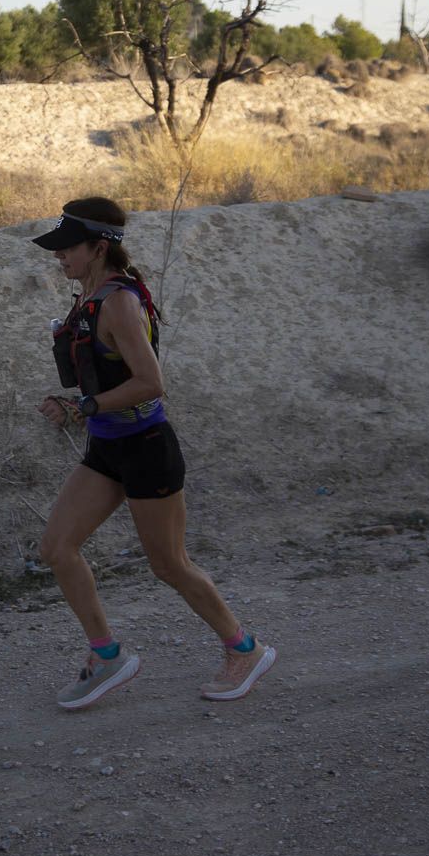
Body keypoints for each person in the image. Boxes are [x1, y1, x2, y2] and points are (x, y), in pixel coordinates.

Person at [33, 197, 276, 710]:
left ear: (99, 247)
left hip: (146, 449)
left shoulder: (119, 302)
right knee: (57, 548)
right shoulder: (89, 297)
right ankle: (108, 656)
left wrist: (87, 405)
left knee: (170, 565)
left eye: (67, 248)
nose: (59, 257)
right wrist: (75, 404)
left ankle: (245, 650)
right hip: (108, 448)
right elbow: (105, 377)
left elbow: (150, 383)